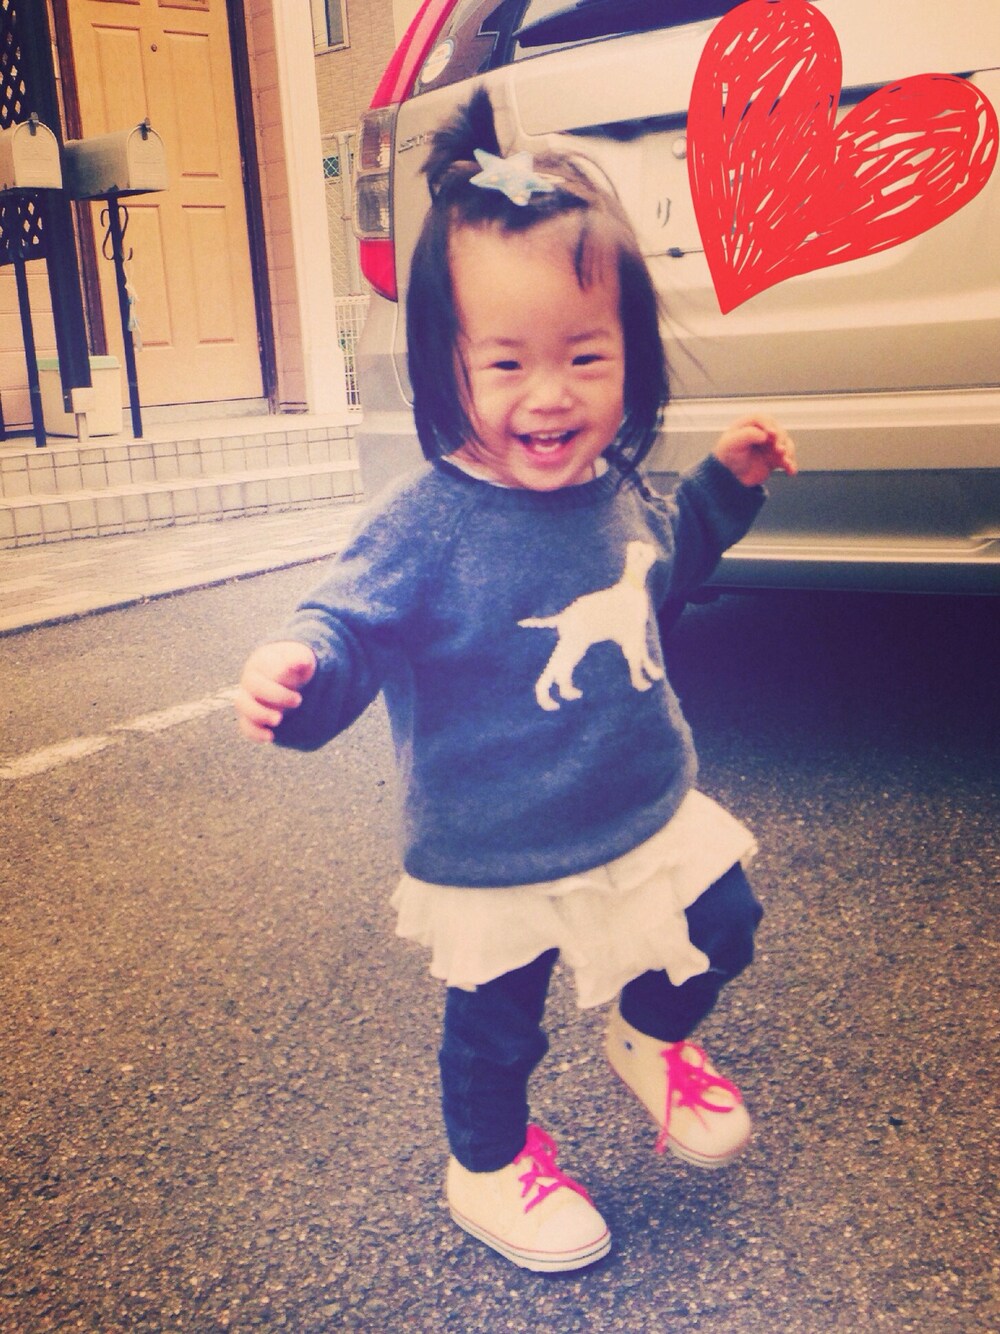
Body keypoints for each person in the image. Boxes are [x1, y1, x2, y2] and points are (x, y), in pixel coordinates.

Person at [235, 87, 796, 1274]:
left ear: (630, 356)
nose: (550, 393)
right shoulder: (426, 521)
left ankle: (647, 1034)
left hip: (639, 801)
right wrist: (300, 672)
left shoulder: (612, 483)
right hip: (494, 839)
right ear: (448, 365)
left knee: (724, 921)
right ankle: (486, 1165)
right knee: (497, 1024)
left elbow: (663, 566)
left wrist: (724, 486)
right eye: (507, 361)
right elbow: (347, 626)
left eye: (586, 356)